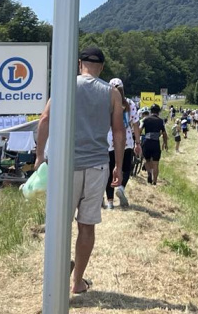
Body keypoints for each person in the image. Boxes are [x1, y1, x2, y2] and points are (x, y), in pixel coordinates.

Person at [35, 46, 126, 295]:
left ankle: (56, 274)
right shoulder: (112, 93)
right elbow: (118, 131)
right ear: (102, 67)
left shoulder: (65, 85)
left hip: (65, 165)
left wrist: (40, 155)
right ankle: (77, 282)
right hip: (97, 165)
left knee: (58, 224)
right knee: (87, 226)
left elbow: (45, 119)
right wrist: (118, 164)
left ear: (79, 63)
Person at [108, 78, 142, 208]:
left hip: (109, 140)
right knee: (126, 168)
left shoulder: (107, 103)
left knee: (110, 170)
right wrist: (137, 143)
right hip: (126, 139)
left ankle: (110, 201)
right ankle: (121, 187)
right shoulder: (129, 103)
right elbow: (136, 124)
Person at [140, 104, 168, 185]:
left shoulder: (145, 119)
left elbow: (140, 129)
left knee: (146, 160)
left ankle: (149, 173)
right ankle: (155, 181)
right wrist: (165, 144)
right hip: (156, 143)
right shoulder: (161, 121)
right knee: (156, 163)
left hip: (147, 141)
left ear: (150, 111)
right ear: (158, 112)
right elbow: (164, 134)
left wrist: (137, 140)